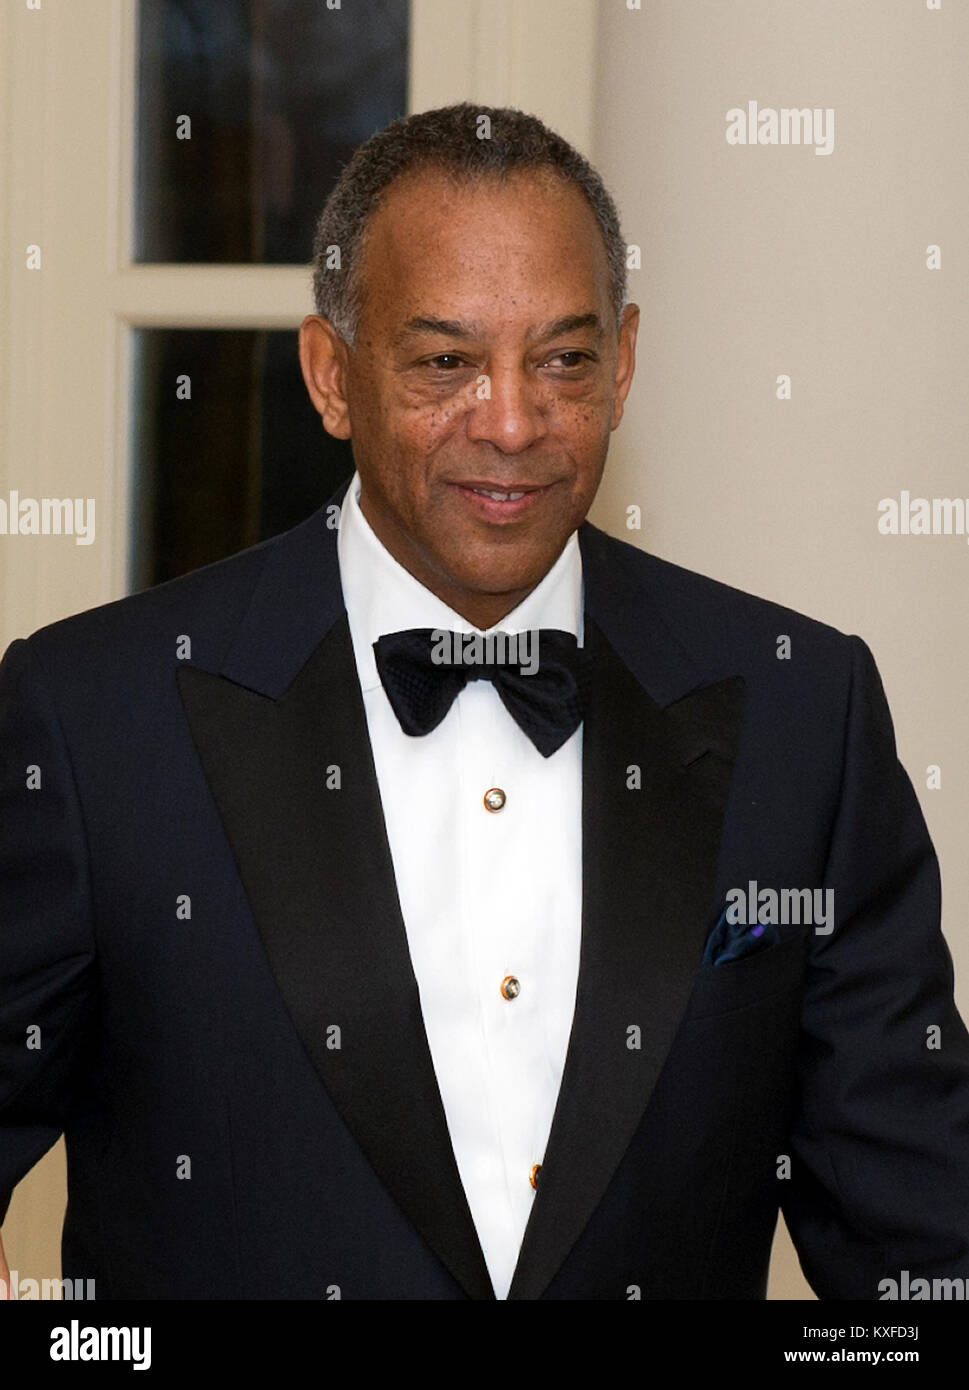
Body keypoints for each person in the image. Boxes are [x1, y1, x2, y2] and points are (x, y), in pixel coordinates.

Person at [1, 103, 968, 1302]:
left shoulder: (800, 711)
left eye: (561, 359)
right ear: (330, 375)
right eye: (445, 362)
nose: (510, 423)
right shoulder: (92, 721)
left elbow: (922, 1248)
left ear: (622, 365)